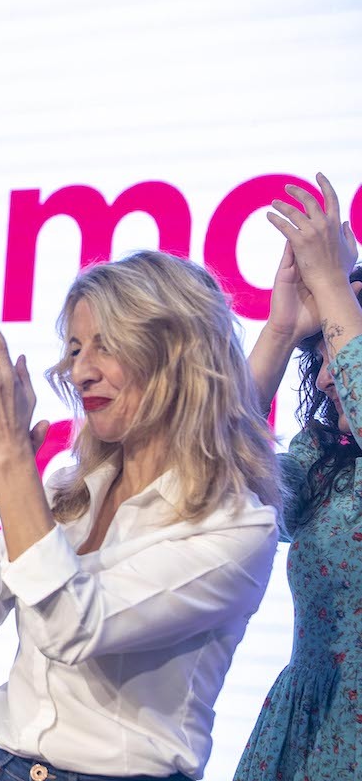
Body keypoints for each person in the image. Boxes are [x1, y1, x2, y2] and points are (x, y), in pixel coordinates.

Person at [0, 250, 281, 781]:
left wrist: (11, 456)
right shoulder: (66, 489)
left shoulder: (236, 529)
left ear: (179, 354)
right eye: (76, 349)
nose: (79, 372)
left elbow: (72, 626)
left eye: (105, 347)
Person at [236, 174, 361, 780]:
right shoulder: (325, 455)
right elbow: (224, 474)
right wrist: (282, 331)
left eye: (346, 355)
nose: (331, 376)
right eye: (325, 360)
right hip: (303, 732)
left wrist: (334, 281)